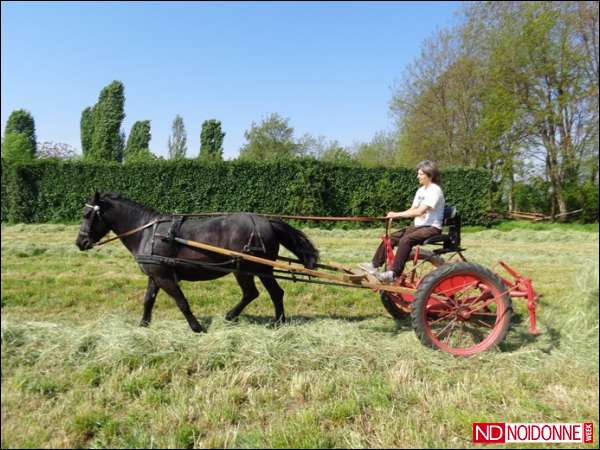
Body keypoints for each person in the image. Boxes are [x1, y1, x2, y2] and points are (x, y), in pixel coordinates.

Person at [359, 160, 445, 283]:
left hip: (432, 228)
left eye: (420, 174)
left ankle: (393, 274)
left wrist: (397, 214)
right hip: (419, 226)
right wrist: (396, 214)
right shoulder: (421, 190)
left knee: (406, 240)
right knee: (391, 238)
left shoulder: (435, 190)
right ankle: (374, 265)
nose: (417, 176)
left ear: (429, 175)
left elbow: (420, 211)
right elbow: (413, 209)